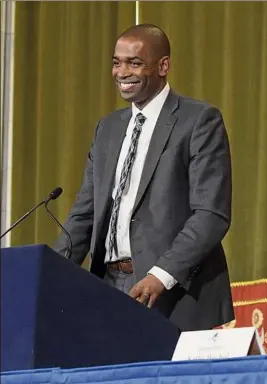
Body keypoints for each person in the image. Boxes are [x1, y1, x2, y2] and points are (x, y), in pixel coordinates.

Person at [54, 24, 235, 332]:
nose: (121, 72)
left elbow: (211, 215)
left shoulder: (199, 121)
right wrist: (51, 275)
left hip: (172, 292)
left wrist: (160, 275)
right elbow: (84, 215)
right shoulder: (107, 129)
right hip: (108, 288)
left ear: (163, 66)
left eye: (134, 63)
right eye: (116, 62)